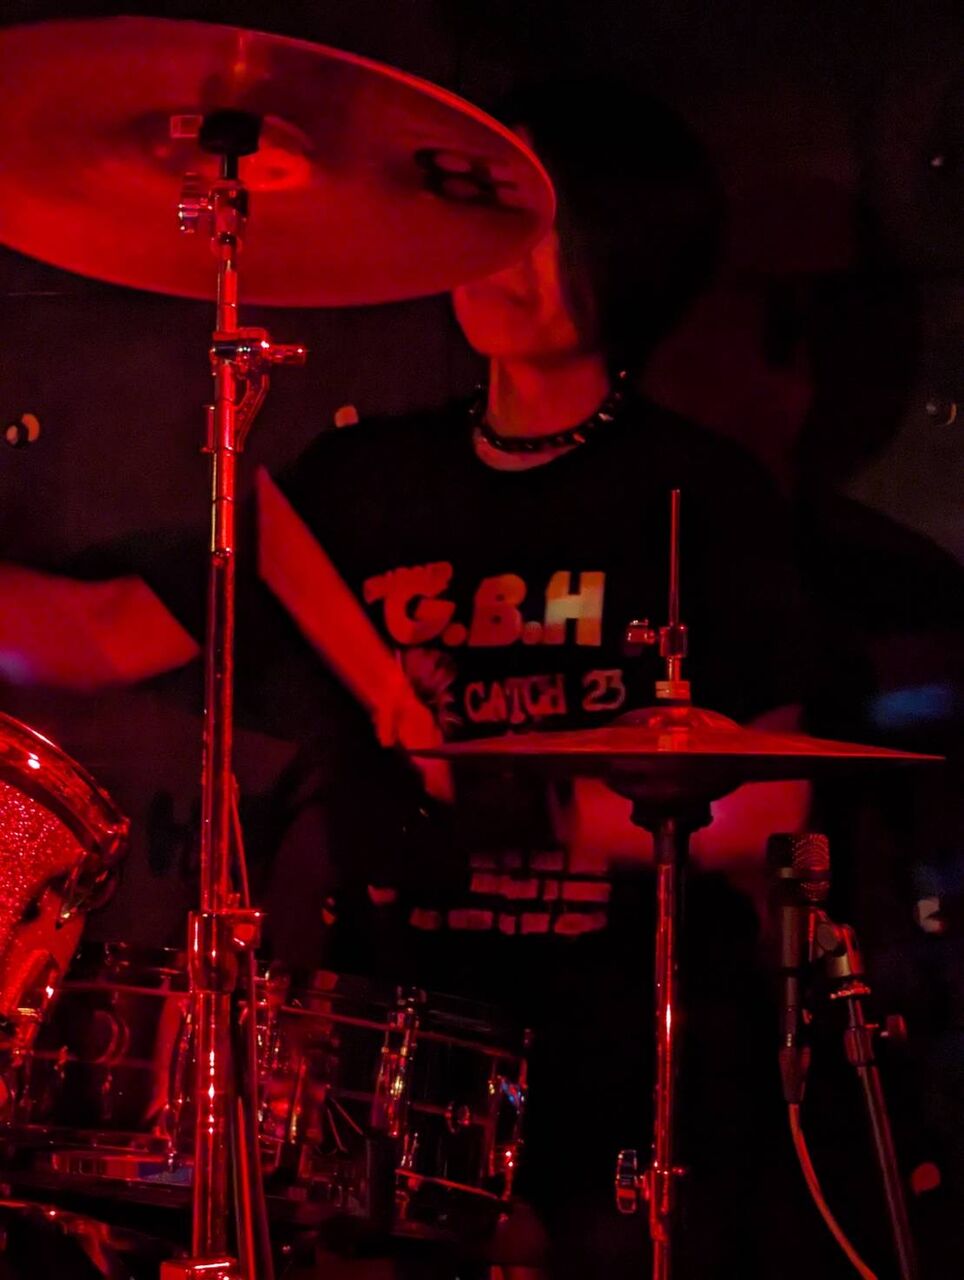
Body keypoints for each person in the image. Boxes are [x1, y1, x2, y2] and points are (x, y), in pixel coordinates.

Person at [0, 78, 830, 1279]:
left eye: (555, 234)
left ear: (633, 257)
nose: (510, 259)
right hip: (384, 1064)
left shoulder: (698, 495)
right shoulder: (363, 482)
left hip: (623, 1062)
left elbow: (776, 804)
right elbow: (99, 636)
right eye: (503, 219)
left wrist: (528, 804)